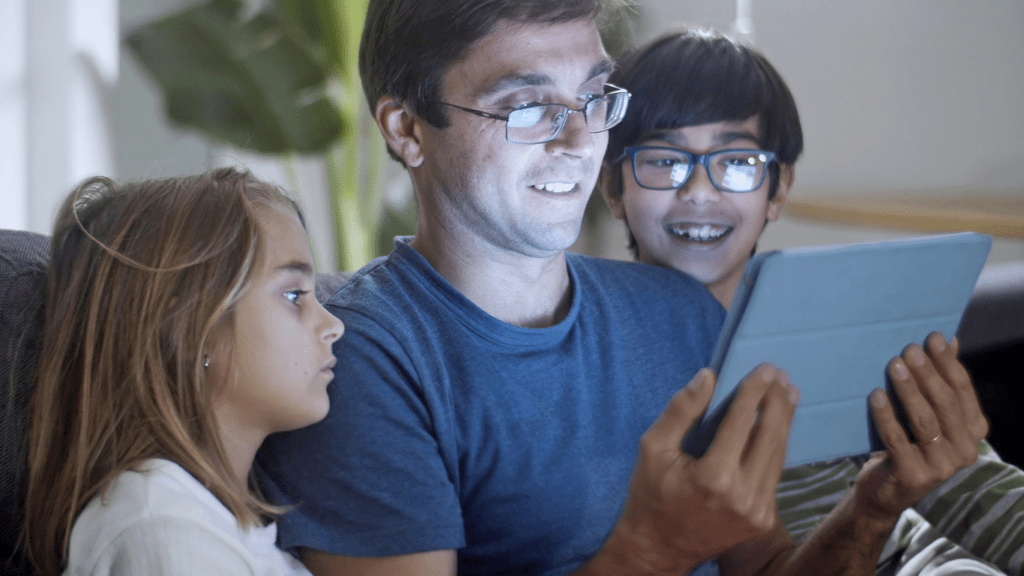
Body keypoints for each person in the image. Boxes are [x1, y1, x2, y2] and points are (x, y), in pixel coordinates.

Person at [256, 1, 989, 574]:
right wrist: (652, 552)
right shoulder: (353, 357)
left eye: (595, 97)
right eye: (528, 106)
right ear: (407, 128)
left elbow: (762, 565)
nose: (579, 143)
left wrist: (873, 508)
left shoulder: (675, 314)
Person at [599, 28, 1024, 575]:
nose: (699, 192)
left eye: (736, 162)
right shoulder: (601, 358)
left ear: (777, 190)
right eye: (662, 159)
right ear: (613, 188)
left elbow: (980, 489)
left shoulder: (836, 322)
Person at [22, 167, 345, 576]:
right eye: (294, 295)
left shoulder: (213, 527)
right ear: (191, 325)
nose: (334, 325)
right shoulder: (163, 531)